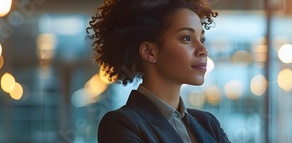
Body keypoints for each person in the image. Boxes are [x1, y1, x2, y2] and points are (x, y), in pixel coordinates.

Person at [87, 0, 230, 142]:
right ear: (149, 52)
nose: (203, 50)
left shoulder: (208, 123)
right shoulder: (121, 124)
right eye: (186, 38)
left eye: (202, 39)